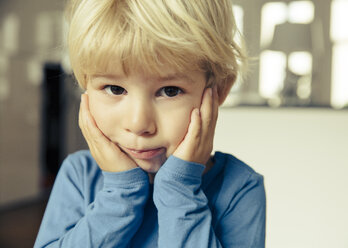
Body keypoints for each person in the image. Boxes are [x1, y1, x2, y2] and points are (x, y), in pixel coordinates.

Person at [35, 0, 266, 247]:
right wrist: (121, 196)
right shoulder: (79, 175)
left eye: (169, 91)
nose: (138, 124)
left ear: (218, 90)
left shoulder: (240, 187)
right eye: (114, 88)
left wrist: (179, 189)